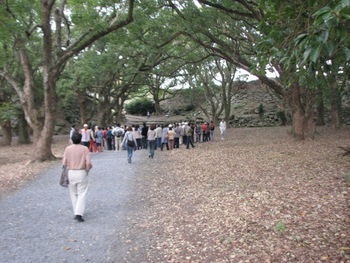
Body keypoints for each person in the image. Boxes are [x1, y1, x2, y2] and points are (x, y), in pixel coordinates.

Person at [62, 132, 92, 222]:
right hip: (81, 172)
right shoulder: (84, 149)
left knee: (73, 193)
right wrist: (87, 170)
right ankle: (79, 213)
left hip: (71, 172)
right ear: (80, 139)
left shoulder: (67, 149)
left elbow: (64, 162)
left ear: (72, 139)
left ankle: (76, 210)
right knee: (82, 193)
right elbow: (88, 162)